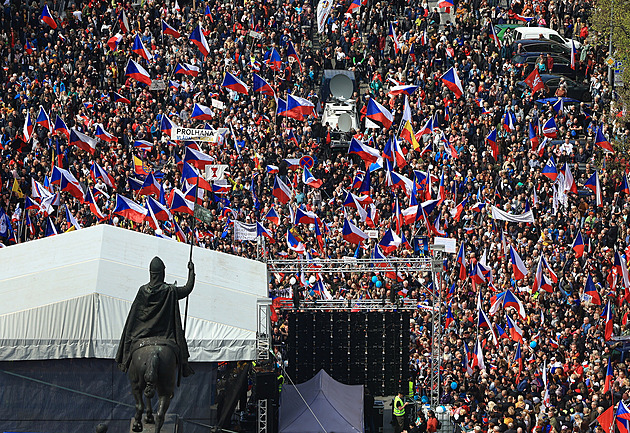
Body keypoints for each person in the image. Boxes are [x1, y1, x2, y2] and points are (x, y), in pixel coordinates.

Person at [116, 257, 196, 379]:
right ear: (162, 273)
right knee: (180, 344)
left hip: (142, 334)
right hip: (165, 335)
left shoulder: (143, 291)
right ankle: (184, 365)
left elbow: (134, 317)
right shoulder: (170, 291)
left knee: (130, 335)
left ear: (151, 274)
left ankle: (125, 361)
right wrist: (191, 271)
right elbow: (187, 289)